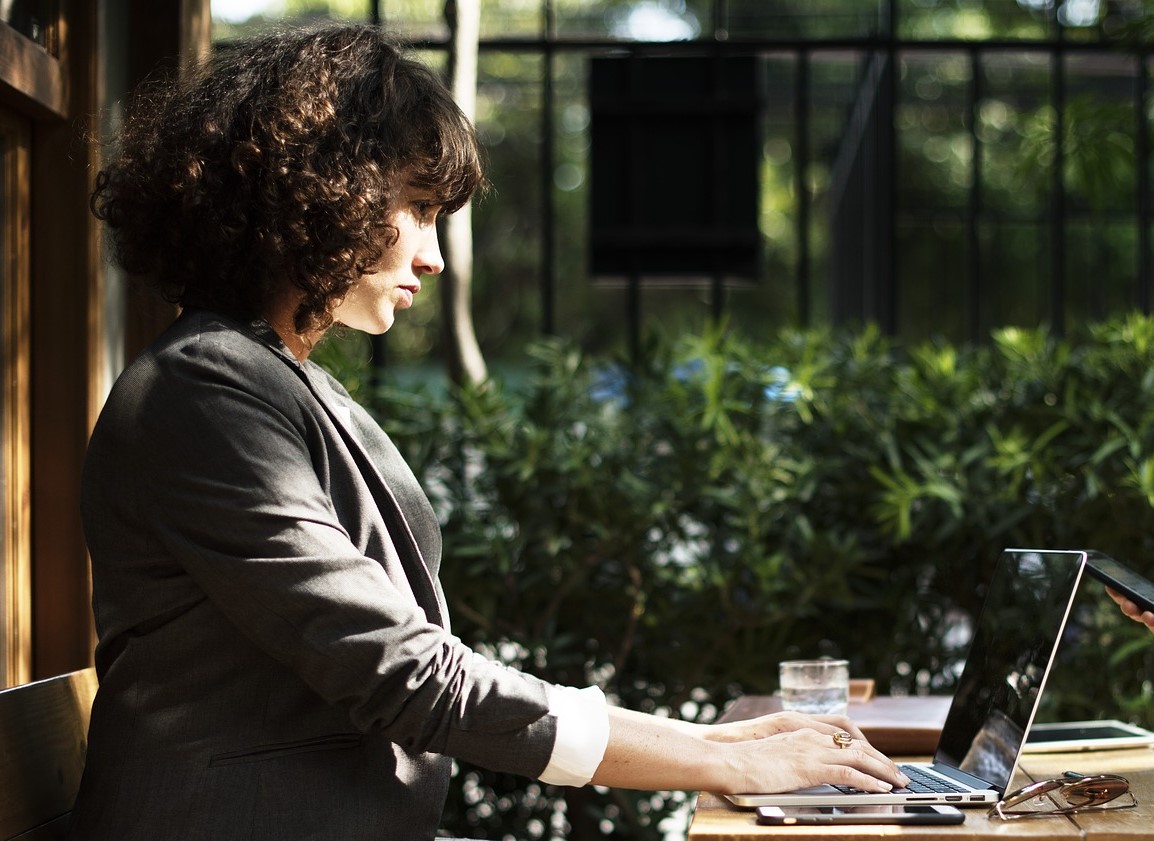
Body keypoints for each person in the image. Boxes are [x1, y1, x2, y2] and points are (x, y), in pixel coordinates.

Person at [68, 24, 907, 841]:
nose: (434, 257)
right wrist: (719, 767)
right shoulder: (206, 389)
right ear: (322, 190)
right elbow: (407, 674)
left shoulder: (272, 378)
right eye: (420, 210)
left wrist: (710, 741)